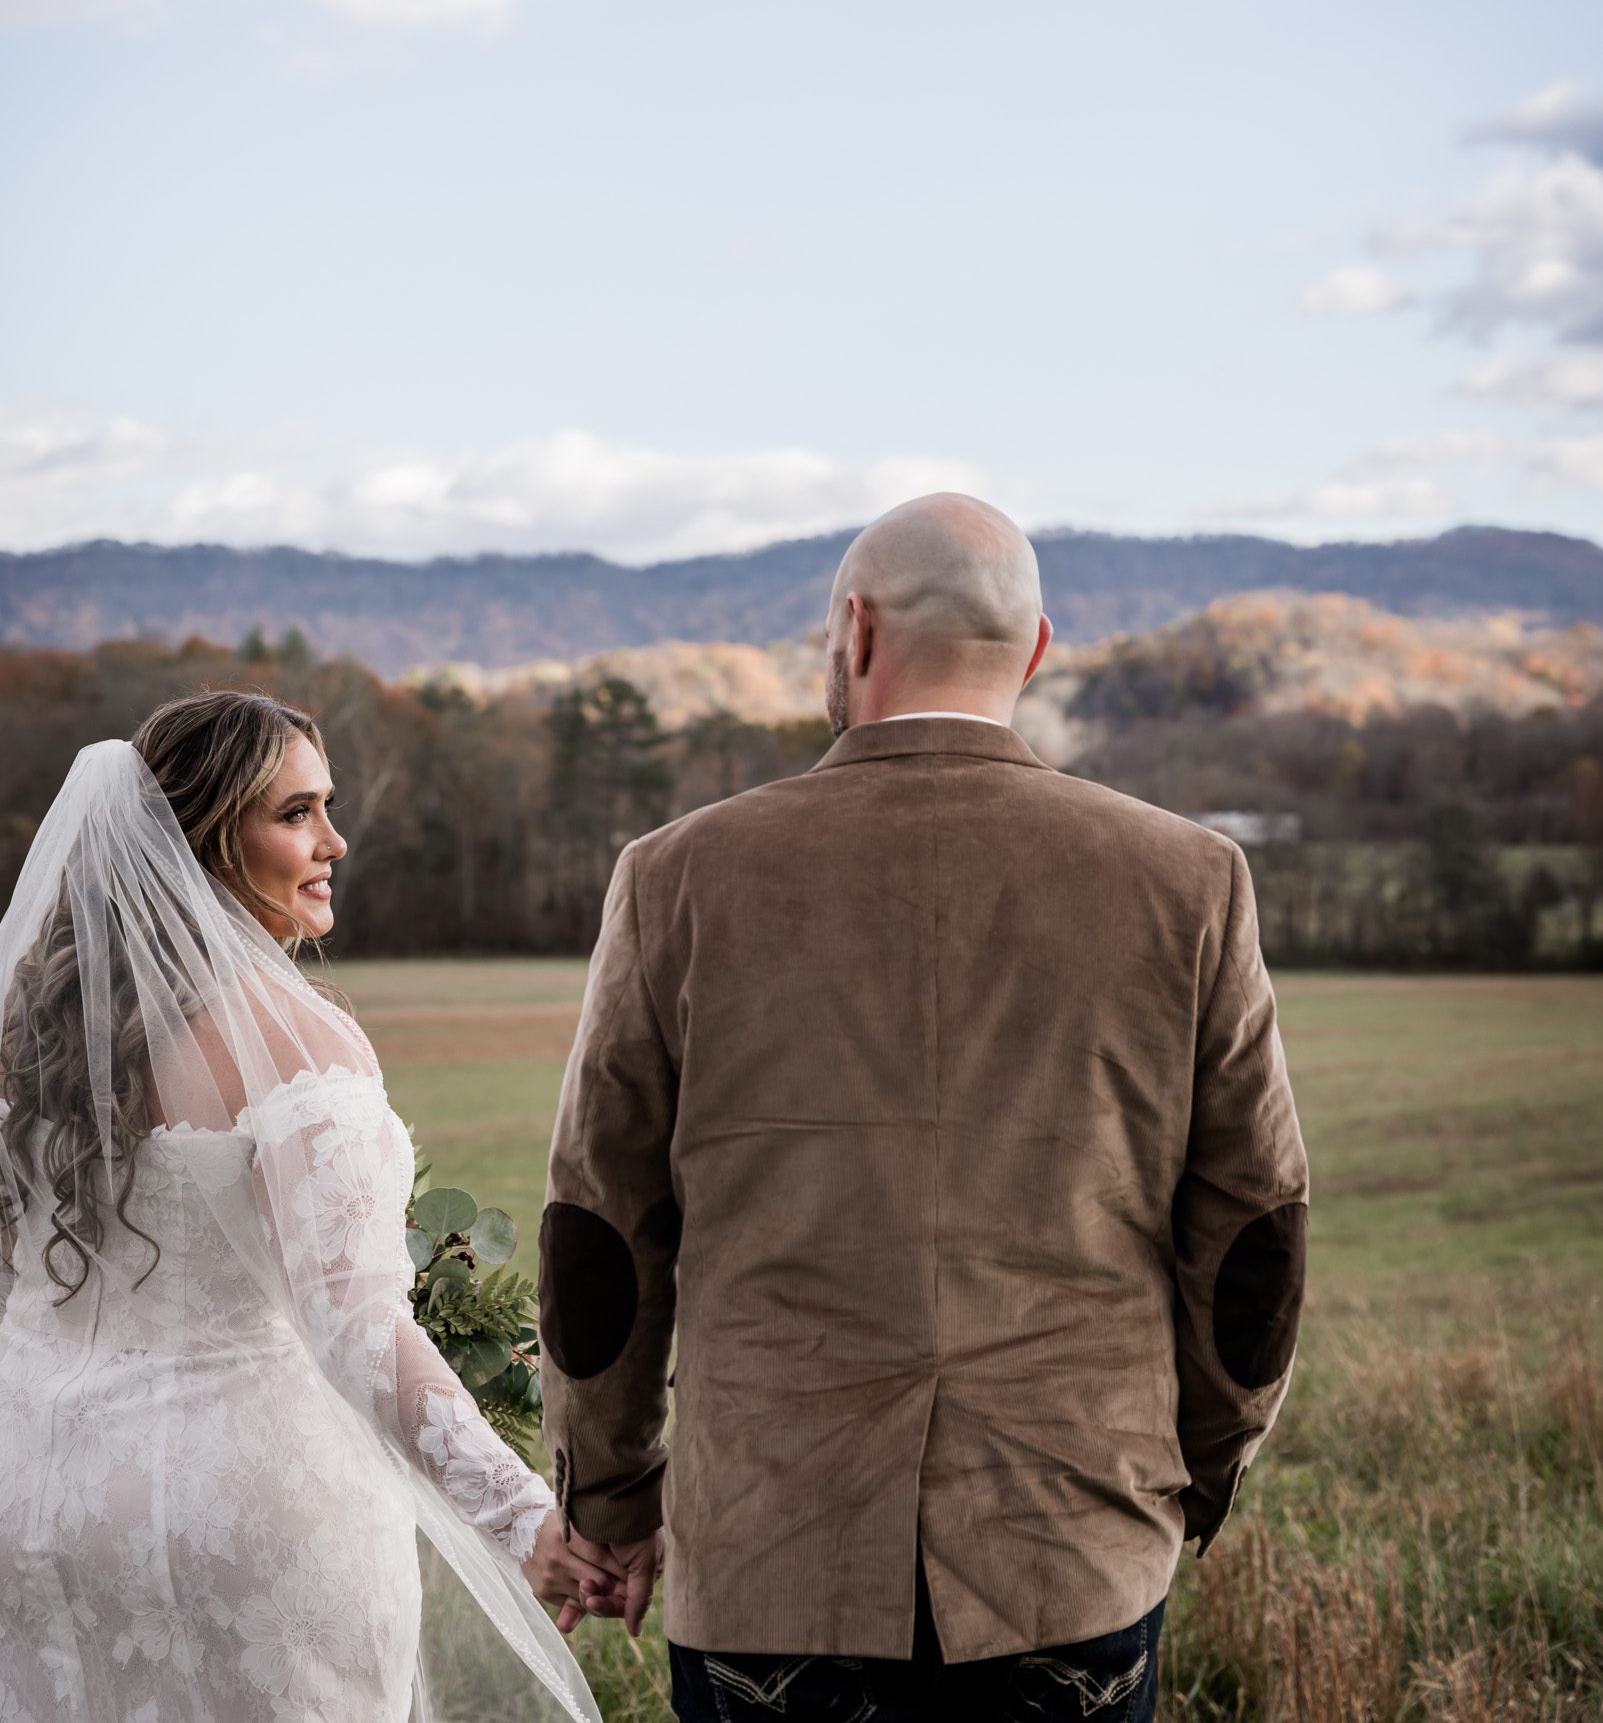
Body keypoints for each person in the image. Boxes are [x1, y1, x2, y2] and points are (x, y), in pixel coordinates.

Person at [539, 493, 1308, 1723]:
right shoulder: (1188, 879)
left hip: (772, 1555)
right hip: (1068, 1550)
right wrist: (1189, 1471)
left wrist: (609, 1504)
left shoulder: (676, 874)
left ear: (852, 632)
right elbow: (1254, 1239)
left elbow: (599, 1233)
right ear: (1038, 648)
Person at [0, 690, 615, 1721]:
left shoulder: (15, 1041)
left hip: (16, 1491)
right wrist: (522, 1516)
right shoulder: (301, 1043)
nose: (333, 840)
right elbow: (355, 1328)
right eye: (295, 813)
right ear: (206, 841)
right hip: (239, 1513)